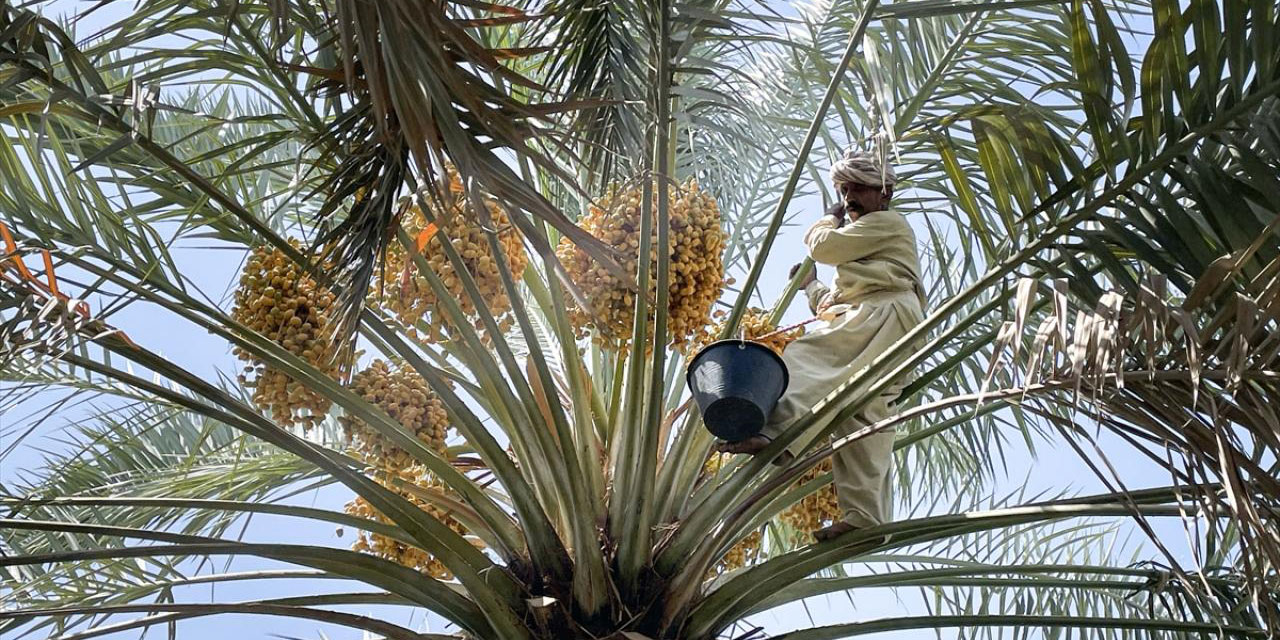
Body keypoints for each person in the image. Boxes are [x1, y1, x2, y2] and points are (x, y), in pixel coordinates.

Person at [714, 148, 926, 542]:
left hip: (885, 315)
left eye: (857, 188)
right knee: (860, 414)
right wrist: (811, 286)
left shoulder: (889, 223)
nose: (849, 198)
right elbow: (836, 304)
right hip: (887, 323)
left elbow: (824, 246)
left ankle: (776, 432)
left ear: (885, 193)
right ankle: (867, 517)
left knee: (806, 356)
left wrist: (829, 217)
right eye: (844, 190)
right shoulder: (870, 249)